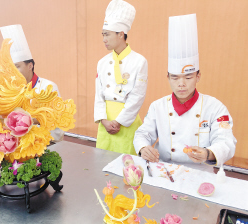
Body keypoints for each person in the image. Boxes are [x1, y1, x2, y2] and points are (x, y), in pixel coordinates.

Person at [134, 14, 236, 172]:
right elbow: (143, 133)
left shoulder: (215, 107)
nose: (181, 84)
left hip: (200, 173)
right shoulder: (158, 106)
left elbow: (226, 141)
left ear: (198, 76)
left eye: (188, 77)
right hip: (164, 170)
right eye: (174, 77)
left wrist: (208, 153)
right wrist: (143, 148)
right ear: (168, 78)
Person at [94, 0, 148, 155]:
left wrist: (118, 122)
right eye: (103, 34)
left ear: (121, 34)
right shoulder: (102, 63)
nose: (104, 39)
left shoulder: (139, 61)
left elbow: (138, 96)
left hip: (126, 122)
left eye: (107, 34)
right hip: (105, 122)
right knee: (102, 163)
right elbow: (98, 95)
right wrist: (103, 120)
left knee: (128, 167)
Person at [0, 24, 64, 142]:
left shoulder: (48, 87)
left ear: (30, 65)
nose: (13, 71)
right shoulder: (10, 90)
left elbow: (55, 118)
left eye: (17, 66)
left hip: (46, 143)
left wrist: (29, 120)